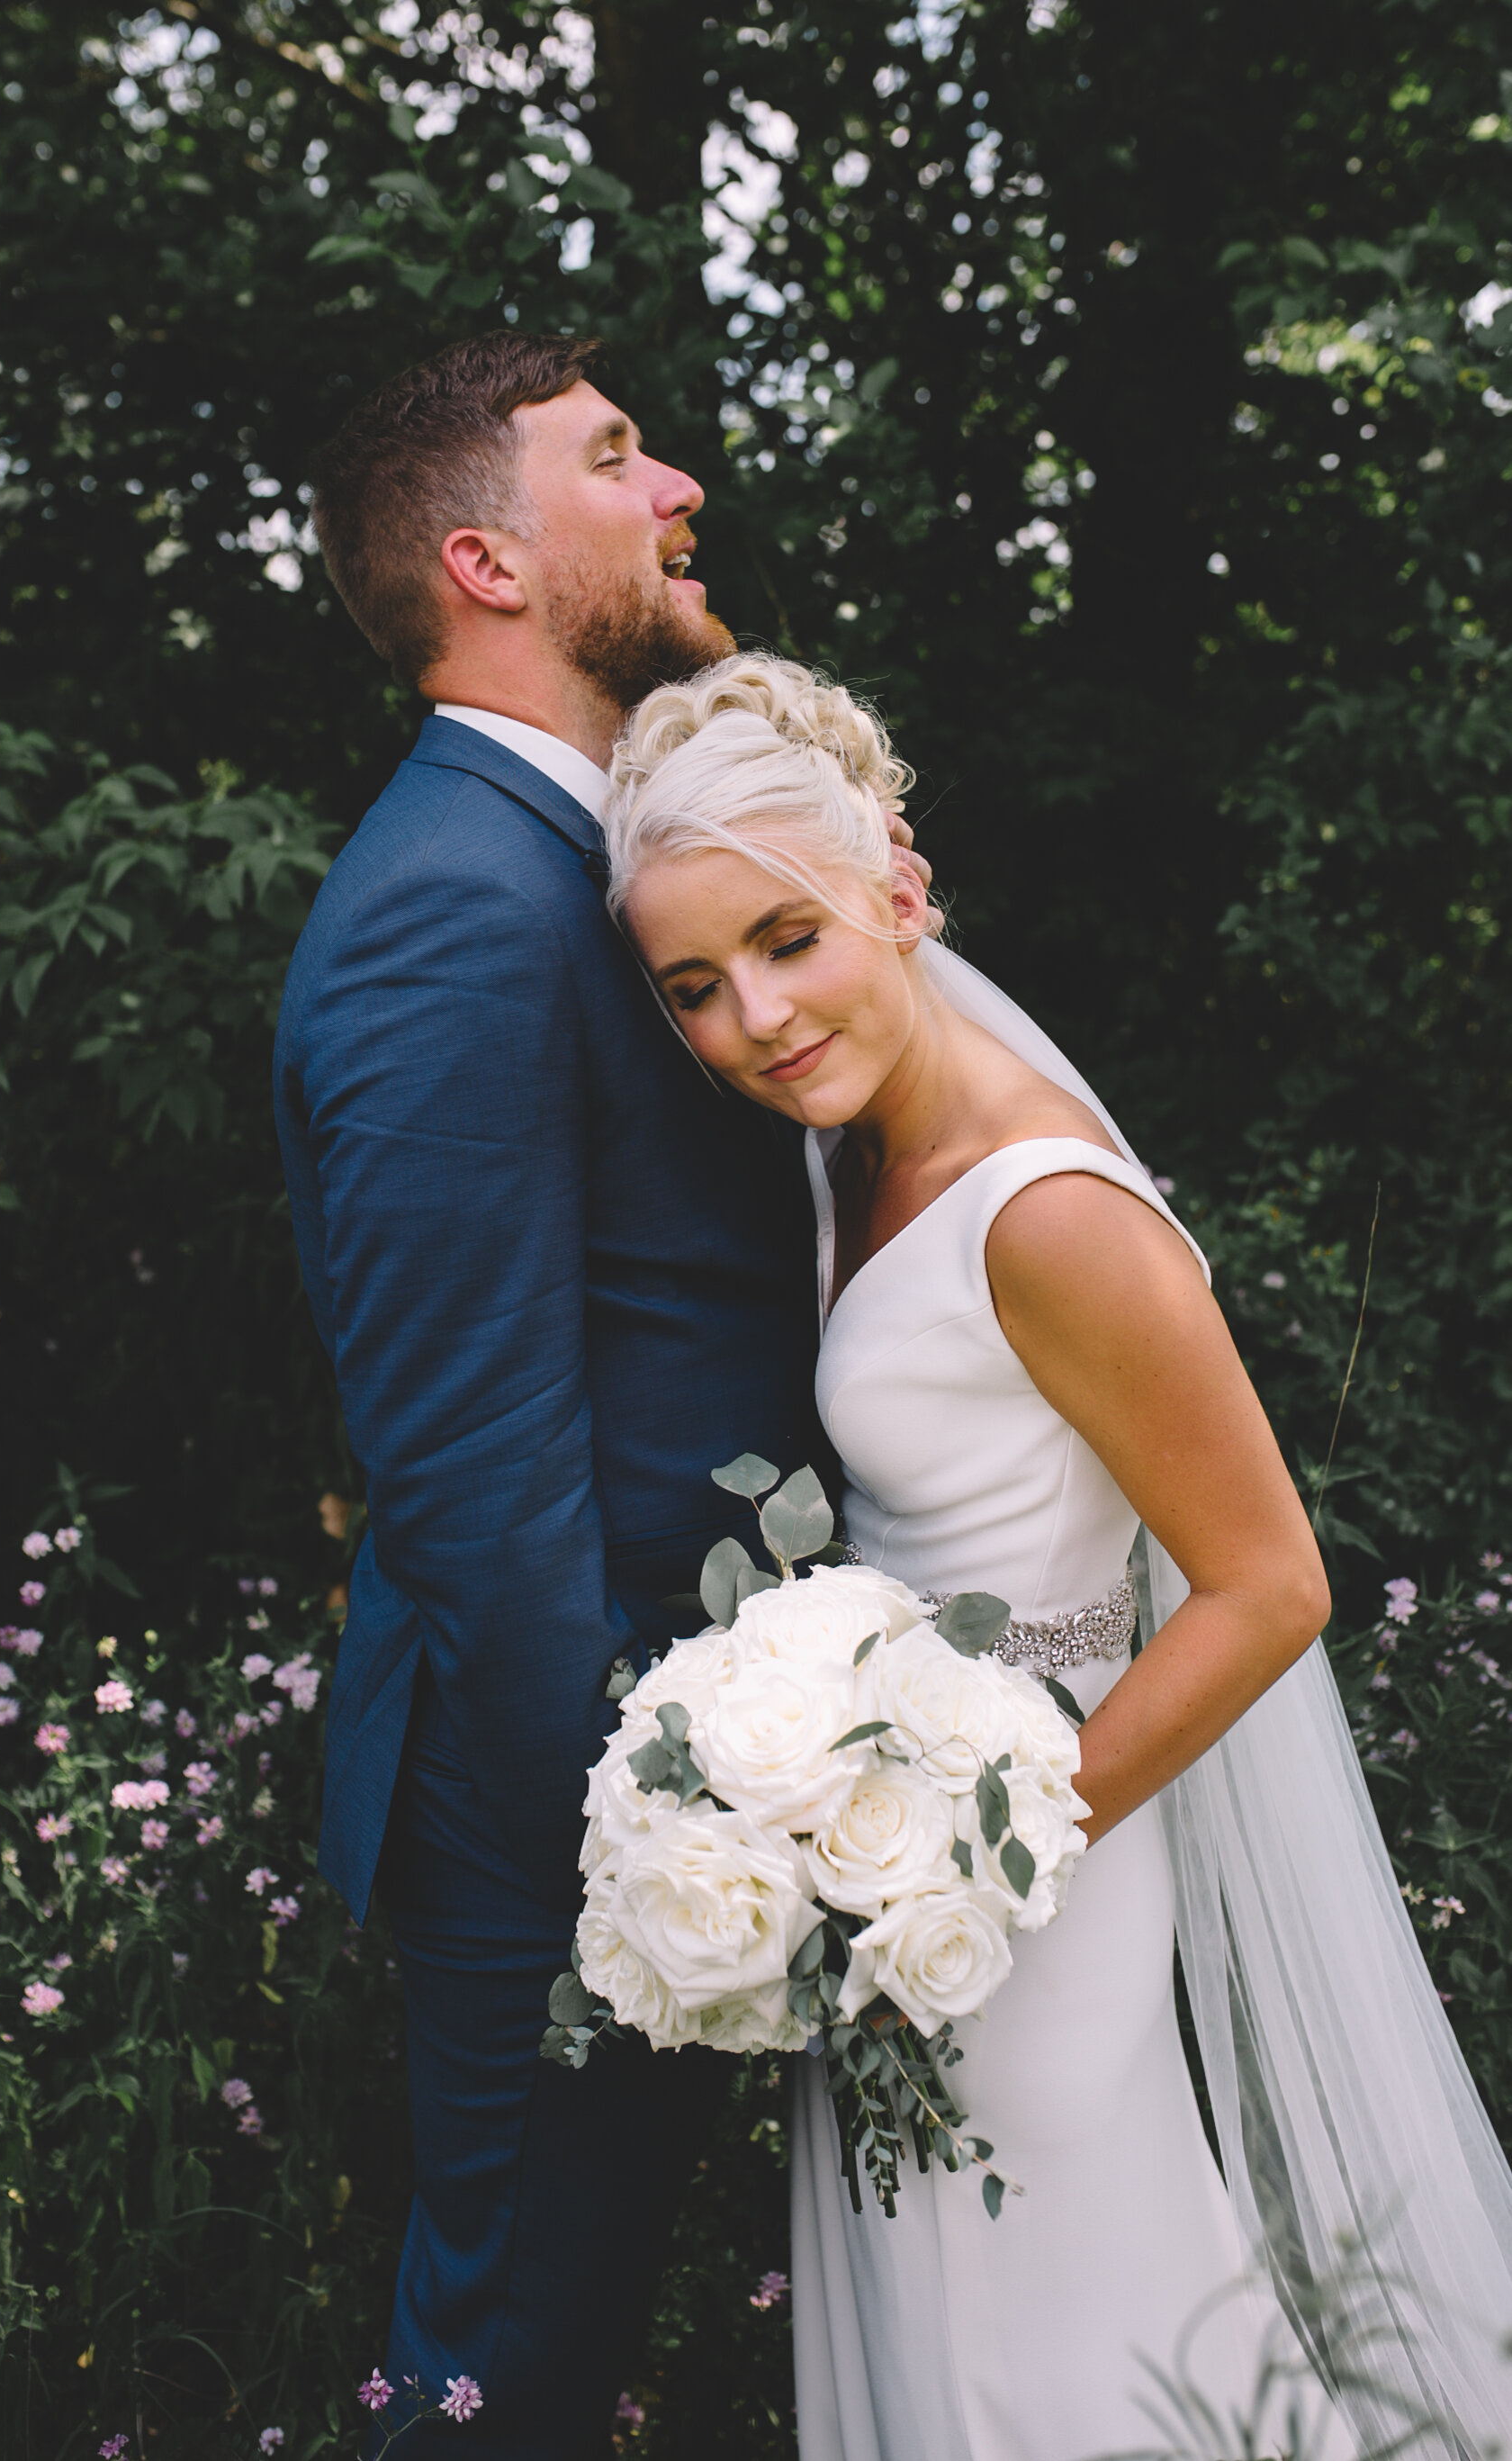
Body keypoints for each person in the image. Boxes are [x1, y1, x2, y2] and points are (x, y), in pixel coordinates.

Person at [601, 653, 1512, 2460]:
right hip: (912, 1860)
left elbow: (1273, 1585)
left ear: (901, 891)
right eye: (694, 985)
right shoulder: (856, 1150)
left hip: (1038, 1870)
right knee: (972, 2319)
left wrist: (980, 1857)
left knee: (1060, 2341)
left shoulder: (1052, 1212)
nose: (756, 1020)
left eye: (790, 939)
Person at [274, 336, 920, 2453]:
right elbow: (468, 1476)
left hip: (702, 1770)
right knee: (500, 2379)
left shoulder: (605, 863)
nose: (680, 488)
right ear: (486, 557)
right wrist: (634, 1847)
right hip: (563, 1813)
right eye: (617, 459)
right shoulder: (447, 909)